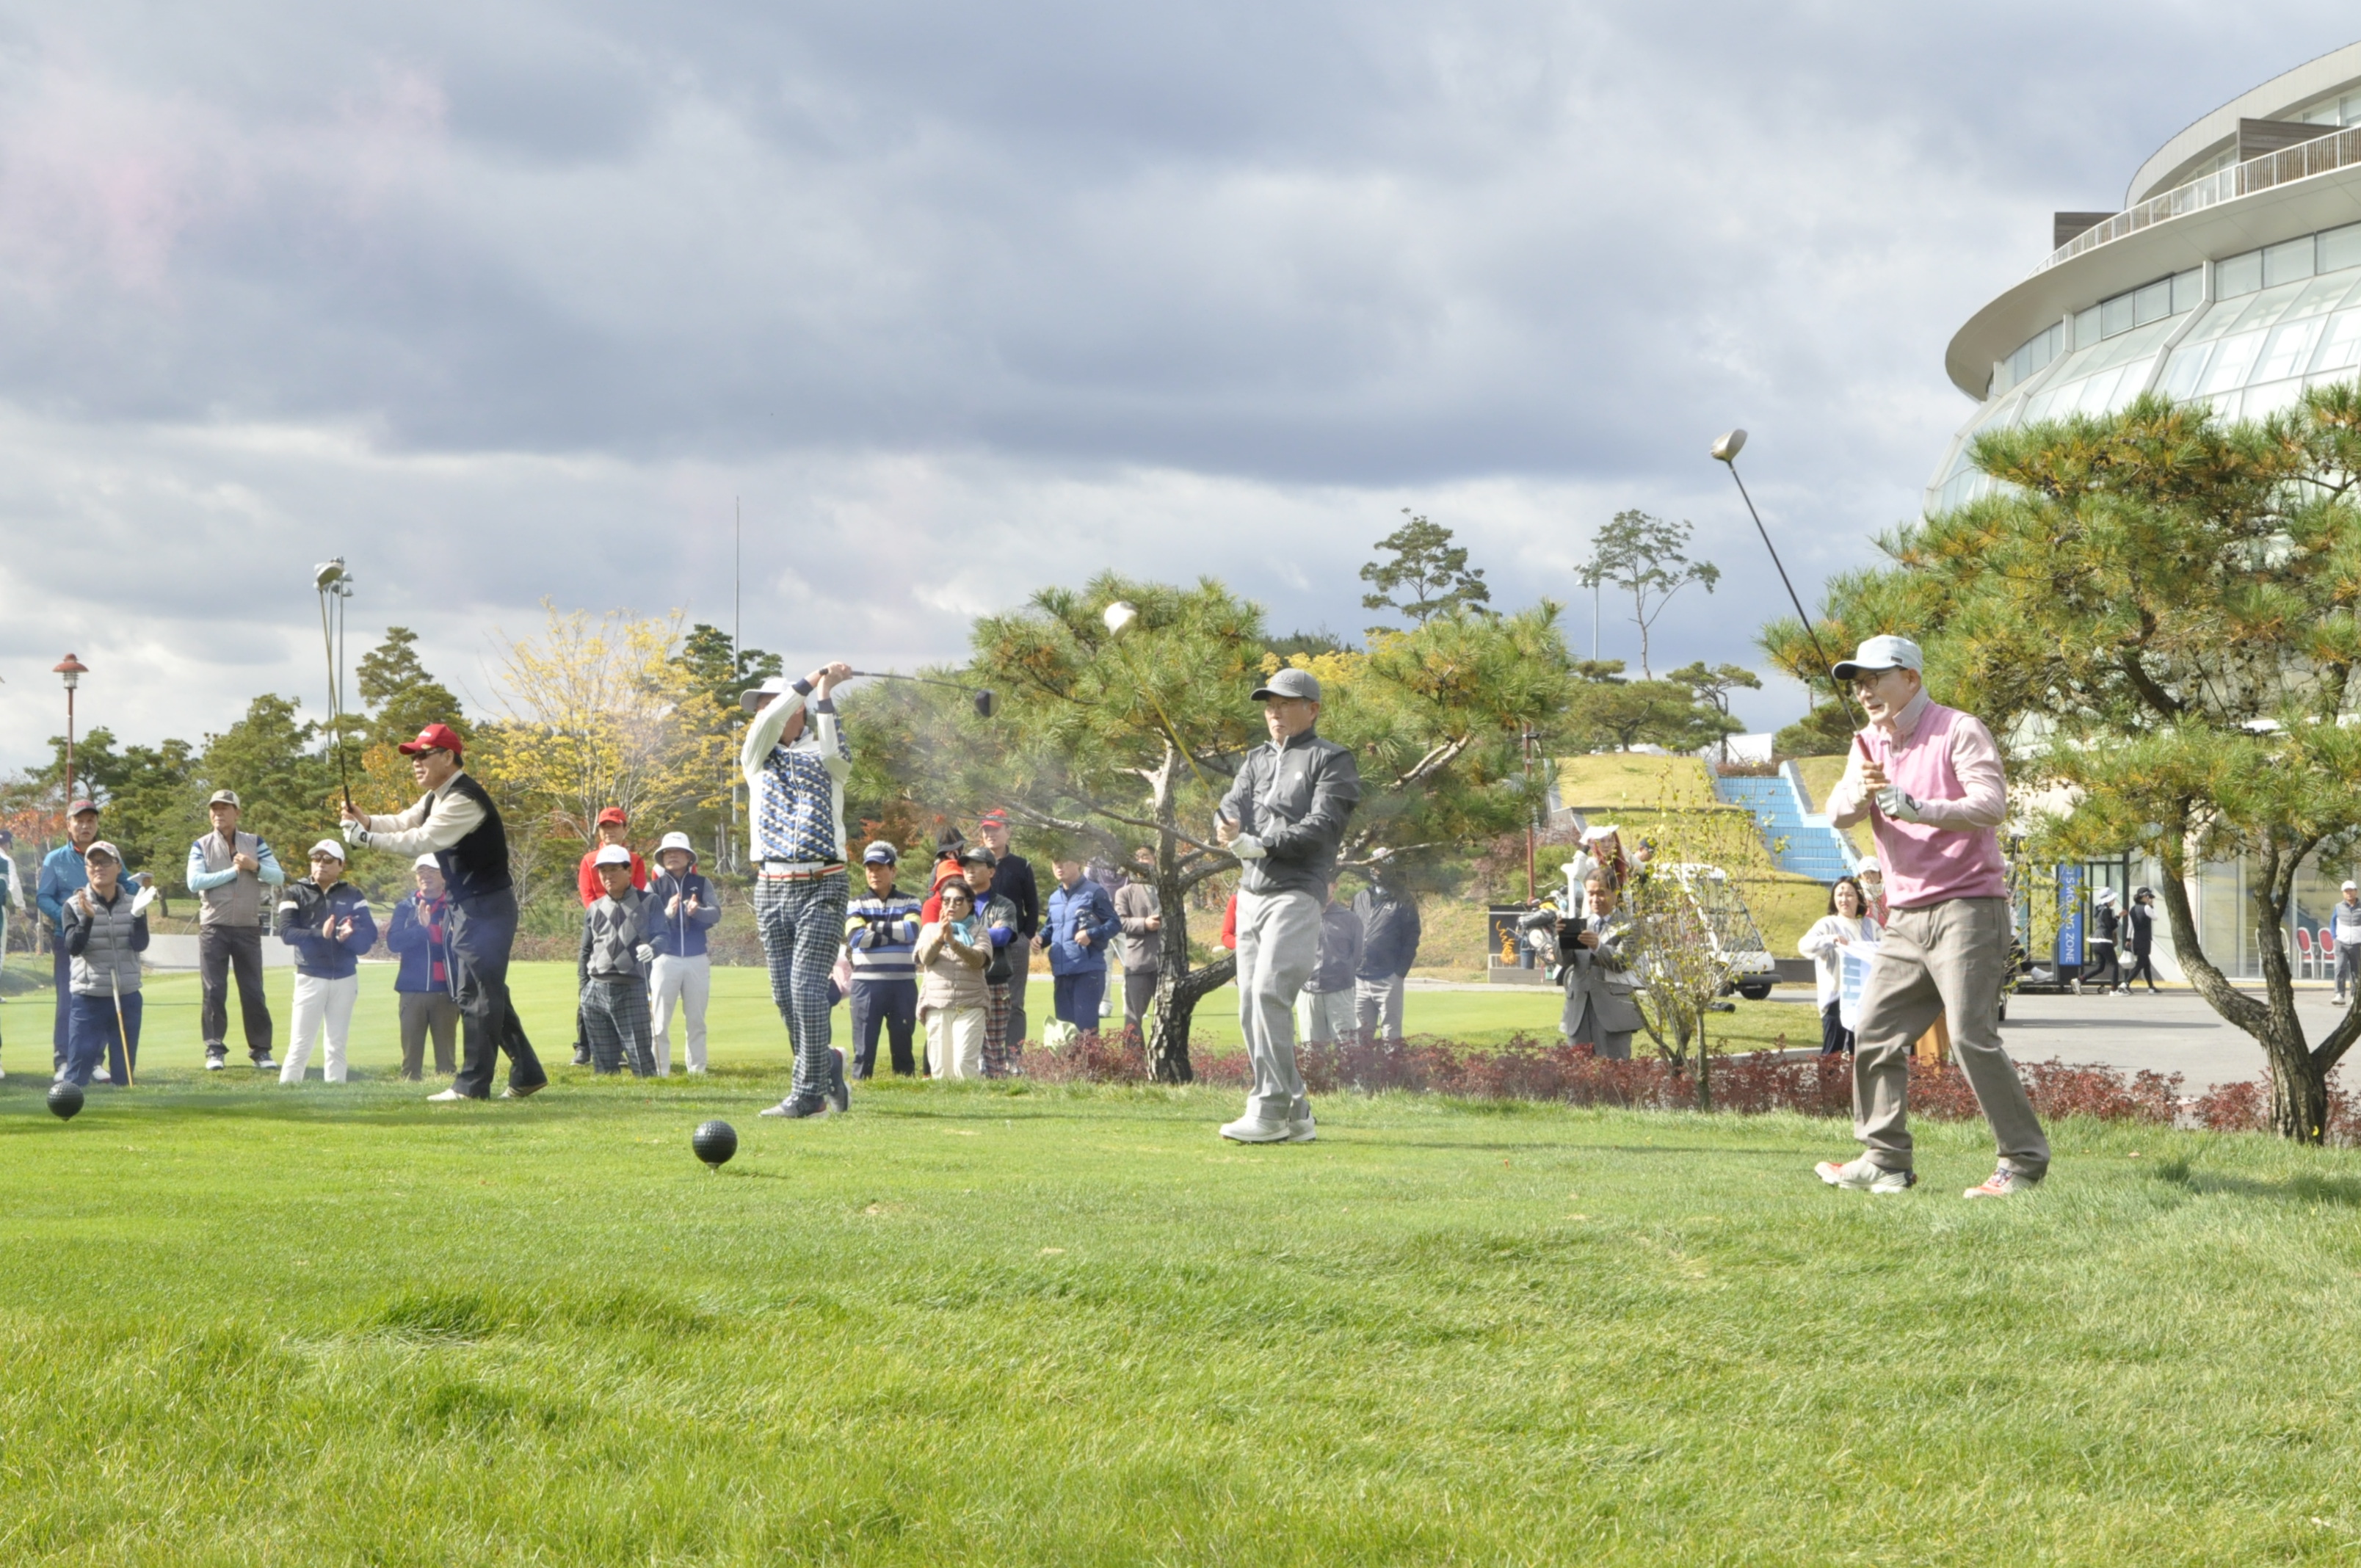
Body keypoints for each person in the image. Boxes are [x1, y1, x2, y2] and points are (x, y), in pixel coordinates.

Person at [1818, 634, 2050, 1199]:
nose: (1865, 691)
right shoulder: (1866, 741)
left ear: (1911, 678)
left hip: (1968, 906)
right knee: (1873, 1031)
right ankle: (1885, 1160)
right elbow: (1838, 813)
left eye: (1875, 679)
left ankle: (2022, 1163)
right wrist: (1861, 790)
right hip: (1904, 915)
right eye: (1858, 683)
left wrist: (1917, 808)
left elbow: (1990, 804)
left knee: (1970, 1037)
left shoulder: (1958, 729)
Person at [342, 722, 548, 1101]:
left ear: (448, 757)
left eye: (424, 755)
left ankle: (472, 1086)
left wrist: (366, 839)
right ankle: (528, 1073)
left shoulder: (464, 799)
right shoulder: (437, 797)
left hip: (485, 906)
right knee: (486, 991)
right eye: (414, 756)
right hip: (468, 905)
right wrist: (365, 820)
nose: (416, 763)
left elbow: (422, 840)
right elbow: (404, 821)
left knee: (476, 993)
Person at [1216, 665, 1362, 1143]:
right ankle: (1296, 1113)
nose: (1274, 712)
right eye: (1270, 705)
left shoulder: (1332, 759)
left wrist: (1264, 844)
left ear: (1312, 709)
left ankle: (1270, 1110)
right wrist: (1226, 825)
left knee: (1269, 993)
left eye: (1285, 704)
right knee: (1248, 1004)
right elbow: (1232, 803)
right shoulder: (1256, 759)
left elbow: (1324, 825)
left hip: (1297, 891)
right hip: (1250, 892)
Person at [741, 664, 855, 1119]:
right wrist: (808, 680)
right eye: (762, 707)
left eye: (771, 703)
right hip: (771, 885)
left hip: (823, 883)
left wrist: (823, 693)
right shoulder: (755, 755)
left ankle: (809, 1096)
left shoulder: (826, 755)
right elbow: (767, 725)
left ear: (799, 710)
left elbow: (836, 753)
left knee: (807, 989)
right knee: (785, 997)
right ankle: (825, 1064)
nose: (764, 713)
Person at [186, 788, 285, 1072]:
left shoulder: (255, 842)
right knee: (214, 991)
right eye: (214, 808)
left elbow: (278, 876)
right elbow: (194, 882)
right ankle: (214, 1050)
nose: (218, 813)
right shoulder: (200, 845)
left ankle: (261, 1051)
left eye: (225, 808)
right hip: (213, 927)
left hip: (247, 927)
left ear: (237, 813)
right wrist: (233, 872)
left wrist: (255, 866)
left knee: (253, 991)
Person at [277, 841, 377, 1084]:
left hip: (345, 976)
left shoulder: (353, 894)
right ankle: (287, 1089)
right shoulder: (295, 892)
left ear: (341, 865)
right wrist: (319, 933)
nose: (321, 864)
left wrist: (351, 935)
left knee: (337, 1043)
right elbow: (287, 933)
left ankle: (336, 1087)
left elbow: (370, 935)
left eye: (328, 859)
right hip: (310, 975)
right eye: (316, 859)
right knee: (300, 1042)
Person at [59, 840, 148, 1087]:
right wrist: (88, 919)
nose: (99, 867)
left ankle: (125, 1109)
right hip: (89, 997)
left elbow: (140, 944)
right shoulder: (73, 905)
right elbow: (73, 947)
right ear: (86, 869)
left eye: (106, 862)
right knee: (77, 1075)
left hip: (127, 994)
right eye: (93, 863)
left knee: (124, 1077)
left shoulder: (135, 904)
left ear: (118, 867)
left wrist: (138, 917)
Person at [1523, 875, 1642, 1057]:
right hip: (1578, 1011)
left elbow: (1622, 963)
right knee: (1577, 1069)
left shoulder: (1630, 926)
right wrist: (1561, 939)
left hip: (1613, 1013)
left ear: (1615, 893)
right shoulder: (1580, 923)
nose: (1595, 899)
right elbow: (1564, 961)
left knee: (1615, 1070)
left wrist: (1598, 946)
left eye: (1601, 893)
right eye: (1591, 893)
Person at [568, 807, 648, 1065]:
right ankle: (584, 1047)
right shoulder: (589, 859)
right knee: (589, 985)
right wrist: (603, 918)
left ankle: (621, 1049)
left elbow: (637, 892)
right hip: (598, 927)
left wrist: (621, 919)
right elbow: (587, 895)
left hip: (628, 929)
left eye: (614, 826)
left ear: (625, 829)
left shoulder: (634, 860)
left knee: (623, 990)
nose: (609, 831)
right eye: (604, 827)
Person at [39, 800, 109, 1075]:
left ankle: (95, 1061)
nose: (85, 826)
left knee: (99, 1000)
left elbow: (126, 885)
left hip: (100, 938)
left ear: (97, 824)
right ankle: (64, 1060)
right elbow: (44, 897)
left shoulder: (108, 854)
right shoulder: (55, 859)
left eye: (91, 820)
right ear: (69, 825)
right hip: (67, 939)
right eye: (79, 821)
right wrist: (69, 919)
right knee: (68, 1002)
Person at [844, 841, 924, 1078]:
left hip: (903, 983)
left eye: (880, 868)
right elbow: (856, 937)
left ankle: (904, 1086)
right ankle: (861, 1087)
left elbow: (912, 931)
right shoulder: (856, 903)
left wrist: (874, 926)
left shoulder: (910, 901)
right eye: (870, 869)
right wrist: (894, 933)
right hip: (866, 985)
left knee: (903, 1045)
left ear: (893, 870)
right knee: (864, 1048)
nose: (874, 873)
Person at [647, 830, 721, 1075]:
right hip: (664, 958)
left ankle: (697, 1072)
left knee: (697, 1021)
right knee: (659, 1022)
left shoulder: (702, 883)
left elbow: (716, 914)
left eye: (678, 851)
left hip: (696, 958)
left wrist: (697, 911)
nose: (672, 855)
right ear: (662, 857)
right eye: (668, 852)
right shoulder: (654, 886)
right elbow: (645, 922)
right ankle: (660, 1072)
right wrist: (667, 913)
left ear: (689, 857)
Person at [579, 844, 656, 1076]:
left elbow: (663, 935)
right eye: (603, 871)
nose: (607, 876)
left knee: (640, 1059)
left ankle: (650, 1094)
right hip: (596, 988)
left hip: (631, 986)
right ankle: (608, 1094)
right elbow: (585, 950)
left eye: (613, 869)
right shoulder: (594, 908)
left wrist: (653, 948)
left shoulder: (649, 901)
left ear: (629, 871)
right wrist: (584, 989)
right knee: (603, 1063)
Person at [386, 854, 460, 1081]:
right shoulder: (405, 907)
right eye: (421, 872)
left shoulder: (454, 906)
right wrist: (422, 929)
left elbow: (464, 943)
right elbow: (394, 943)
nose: (425, 876)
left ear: (444, 876)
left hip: (447, 990)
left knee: (447, 1062)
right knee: (410, 1063)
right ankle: (410, 1091)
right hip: (412, 989)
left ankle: (448, 1089)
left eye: (432, 871)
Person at [915, 877, 992, 1079]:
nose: (951, 905)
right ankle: (946, 1101)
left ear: (970, 904)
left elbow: (979, 960)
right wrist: (940, 938)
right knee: (941, 1070)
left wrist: (954, 943)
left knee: (964, 1065)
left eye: (958, 900)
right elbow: (925, 958)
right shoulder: (930, 930)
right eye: (946, 900)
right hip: (937, 1006)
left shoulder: (979, 931)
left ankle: (971, 1099)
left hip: (971, 1005)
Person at [976, 810, 1041, 1046]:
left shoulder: (1021, 865)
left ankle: (1013, 1057)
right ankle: (985, 1057)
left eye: (995, 829)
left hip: (1014, 943)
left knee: (1014, 1003)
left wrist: (1026, 936)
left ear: (1008, 832)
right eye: (986, 830)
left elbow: (1032, 904)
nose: (990, 834)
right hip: (981, 943)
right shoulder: (974, 863)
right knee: (981, 1001)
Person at [959, 846, 1025, 1075]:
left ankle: (996, 1085)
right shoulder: (956, 902)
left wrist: (967, 933)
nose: (970, 870)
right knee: (966, 1040)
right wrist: (987, 932)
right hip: (965, 979)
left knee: (994, 1044)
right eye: (966, 866)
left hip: (995, 979)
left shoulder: (1004, 905)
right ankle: (968, 1085)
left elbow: (1003, 937)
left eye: (976, 866)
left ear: (991, 871)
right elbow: (950, 937)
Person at [1799, 876, 1880, 1057]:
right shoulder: (1828, 924)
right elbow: (1804, 946)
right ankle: (1828, 1078)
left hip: (1865, 999)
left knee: (1861, 1053)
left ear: (1859, 898)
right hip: (1835, 998)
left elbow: (1887, 950)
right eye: (1840, 894)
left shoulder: (1871, 927)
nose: (1844, 899)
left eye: (1850, 894)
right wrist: (1830, 940)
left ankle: (1857, 1078)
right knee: (1832, 1055)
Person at [1039, 854, 1120, 1032]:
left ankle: (1089, 1054)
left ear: (1078, 863)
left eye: (1064, 861)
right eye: (1055, 862)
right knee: (1066, 1033)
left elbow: (1115, 924)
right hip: (1061, 972)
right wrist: (1040, 939)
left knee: (1086, 1034)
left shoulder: (1095, 892)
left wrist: (1090, 933)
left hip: (1088, 971)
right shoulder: (1055, 898)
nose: (1059, 866)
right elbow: (1051, 928)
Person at [1352, 861, 1421, 1046]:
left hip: (1388, 977)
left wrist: (1400, 972)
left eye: (1381, 867)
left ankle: (1392, 1066)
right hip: (1360, 978)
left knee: (1391, 1034)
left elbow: (1412, 937)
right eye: (1374, 867)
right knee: (1361, 1035)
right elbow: (1352, 931)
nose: (1377, 871)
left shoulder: (1403, 899)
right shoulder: (1360, 897)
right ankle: (1364, 1067)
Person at [1298, 880, 1363, 1045]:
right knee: (1311, 1050)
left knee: (1348, 1049)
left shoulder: (1350, 919)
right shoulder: (1300, 917)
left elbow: (1357, 956)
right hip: (1308, 991)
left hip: (1340, 992)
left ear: (1334, 886)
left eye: (1324, 882)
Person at [1114, 847, 1163, 1036]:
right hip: (1139, 962)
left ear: (1155, 859)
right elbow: (1119, 922)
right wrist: (1144, 924)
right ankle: (1133, 1055)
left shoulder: (1169, 889)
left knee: (1169, 1016)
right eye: (1138, 858)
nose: (1142, 861)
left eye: (1146, 857)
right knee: (1133, 1018)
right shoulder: (1124, 893)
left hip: (1168, 963)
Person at [2085, 887, 2124, 995]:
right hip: (2104, 939)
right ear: (2109, 899)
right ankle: (2114, 990)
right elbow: (2110, 926)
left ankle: (2080, 980)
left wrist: (2118, 916)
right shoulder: (2107, 910)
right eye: (2113, 899)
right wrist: (2118, 917)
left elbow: (2105, 923)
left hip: (2095, 939)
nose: (2114, 901)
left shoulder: (2099, 909)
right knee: (2114, 965)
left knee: (2099, 967)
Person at [2124, 886, 2161, 993]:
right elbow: (2155, 917)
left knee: (2146, 964)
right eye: (2148, 897)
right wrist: (2152, 906)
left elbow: (2130, 926)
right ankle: (2125, 983)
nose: (2150, 898)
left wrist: (2128, 939)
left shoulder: (2133, 909)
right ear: (2144, 897)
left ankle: (2151, 987)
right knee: (2141, 963)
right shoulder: (2147, 908)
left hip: (2137, 939)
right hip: (2145, 939)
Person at [2332, 881, 2361, 1005]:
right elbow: (2333, 922)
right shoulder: (2338, 907)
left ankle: (2355, 996)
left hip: (2357, 944)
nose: (2349, 893)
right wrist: (2334, 937)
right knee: (2340, 968)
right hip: (2341, 943)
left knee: (2356, 971)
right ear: (2343, 893)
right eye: (2346, 891)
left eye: (2351, 891)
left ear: (2356, 892)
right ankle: (2339, 994)